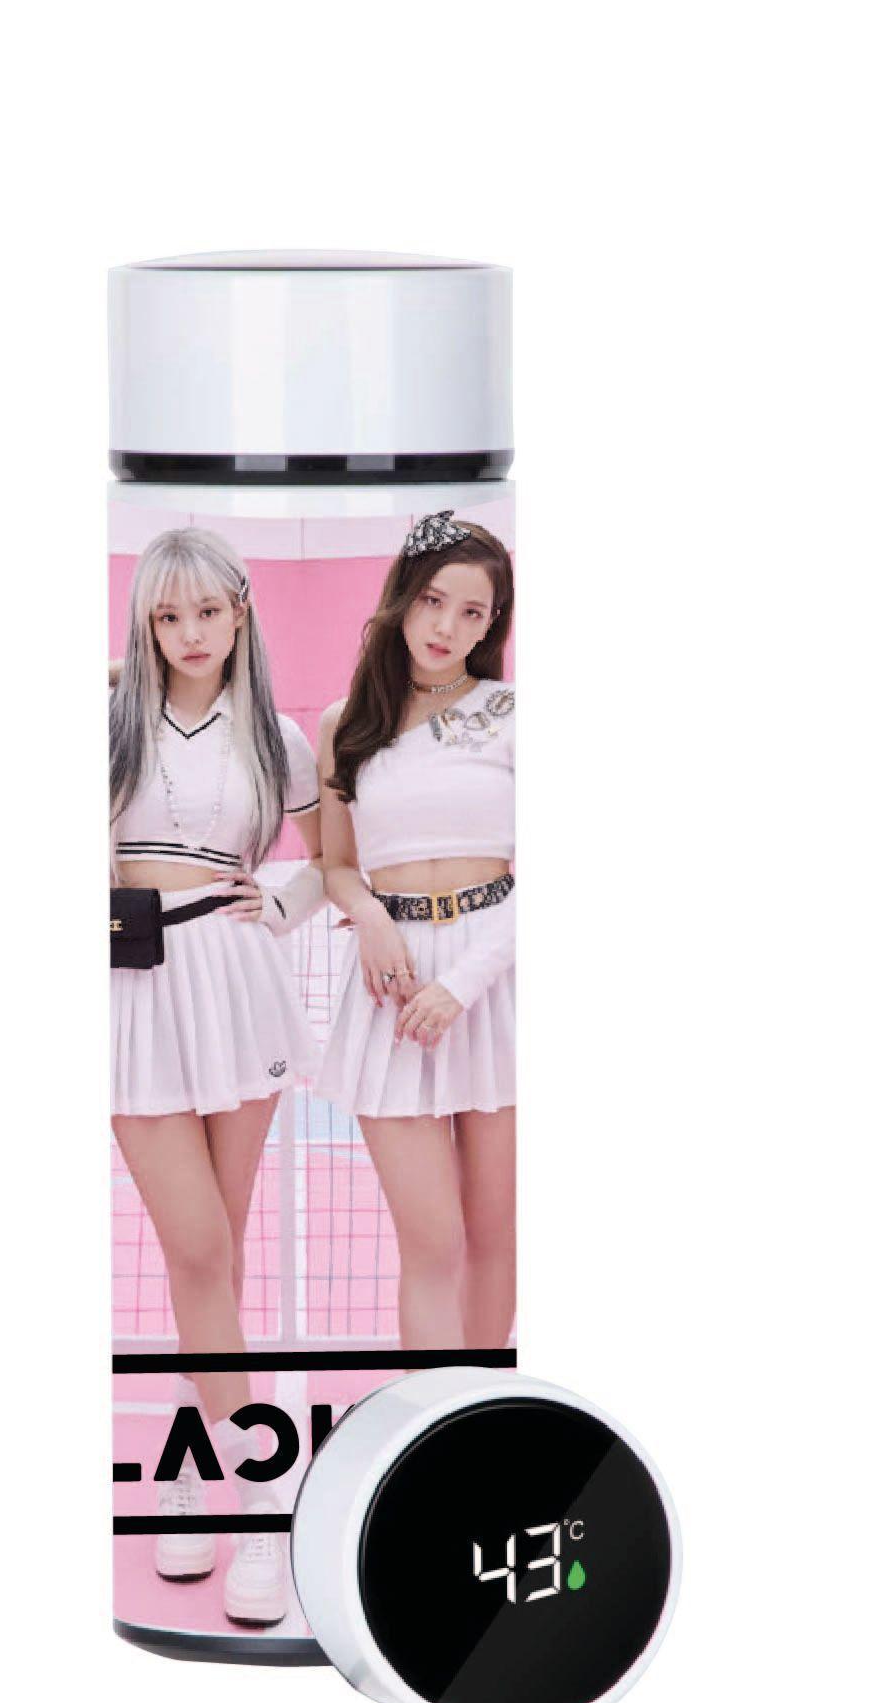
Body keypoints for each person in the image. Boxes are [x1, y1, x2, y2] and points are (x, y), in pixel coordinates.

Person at [109, 527, 324, 1623]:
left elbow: (333, 857)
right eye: (167, 615)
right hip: (134, 987)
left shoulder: (275, 734)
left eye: (207, 611)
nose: (190, 634)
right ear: (146, 624)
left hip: (236, 984)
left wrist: (280, 902)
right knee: (196, 1249)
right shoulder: (109, 720)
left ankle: (200, 1479)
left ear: (241, 612)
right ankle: (261, 1491)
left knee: (216, 1260)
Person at [315, 511, 516, 1352]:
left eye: (473, 613)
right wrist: (367, 915)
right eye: (434, 601)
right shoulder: (346, 722)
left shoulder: (512, 714)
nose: (447, 627)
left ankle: (486, 1411)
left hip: (495, 977)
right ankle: (436, 1418)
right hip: (391, 987)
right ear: (403, 596)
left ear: (492, 624)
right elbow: (335, 863)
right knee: (431, 1243)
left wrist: (461, 984)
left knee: (497, 1237)